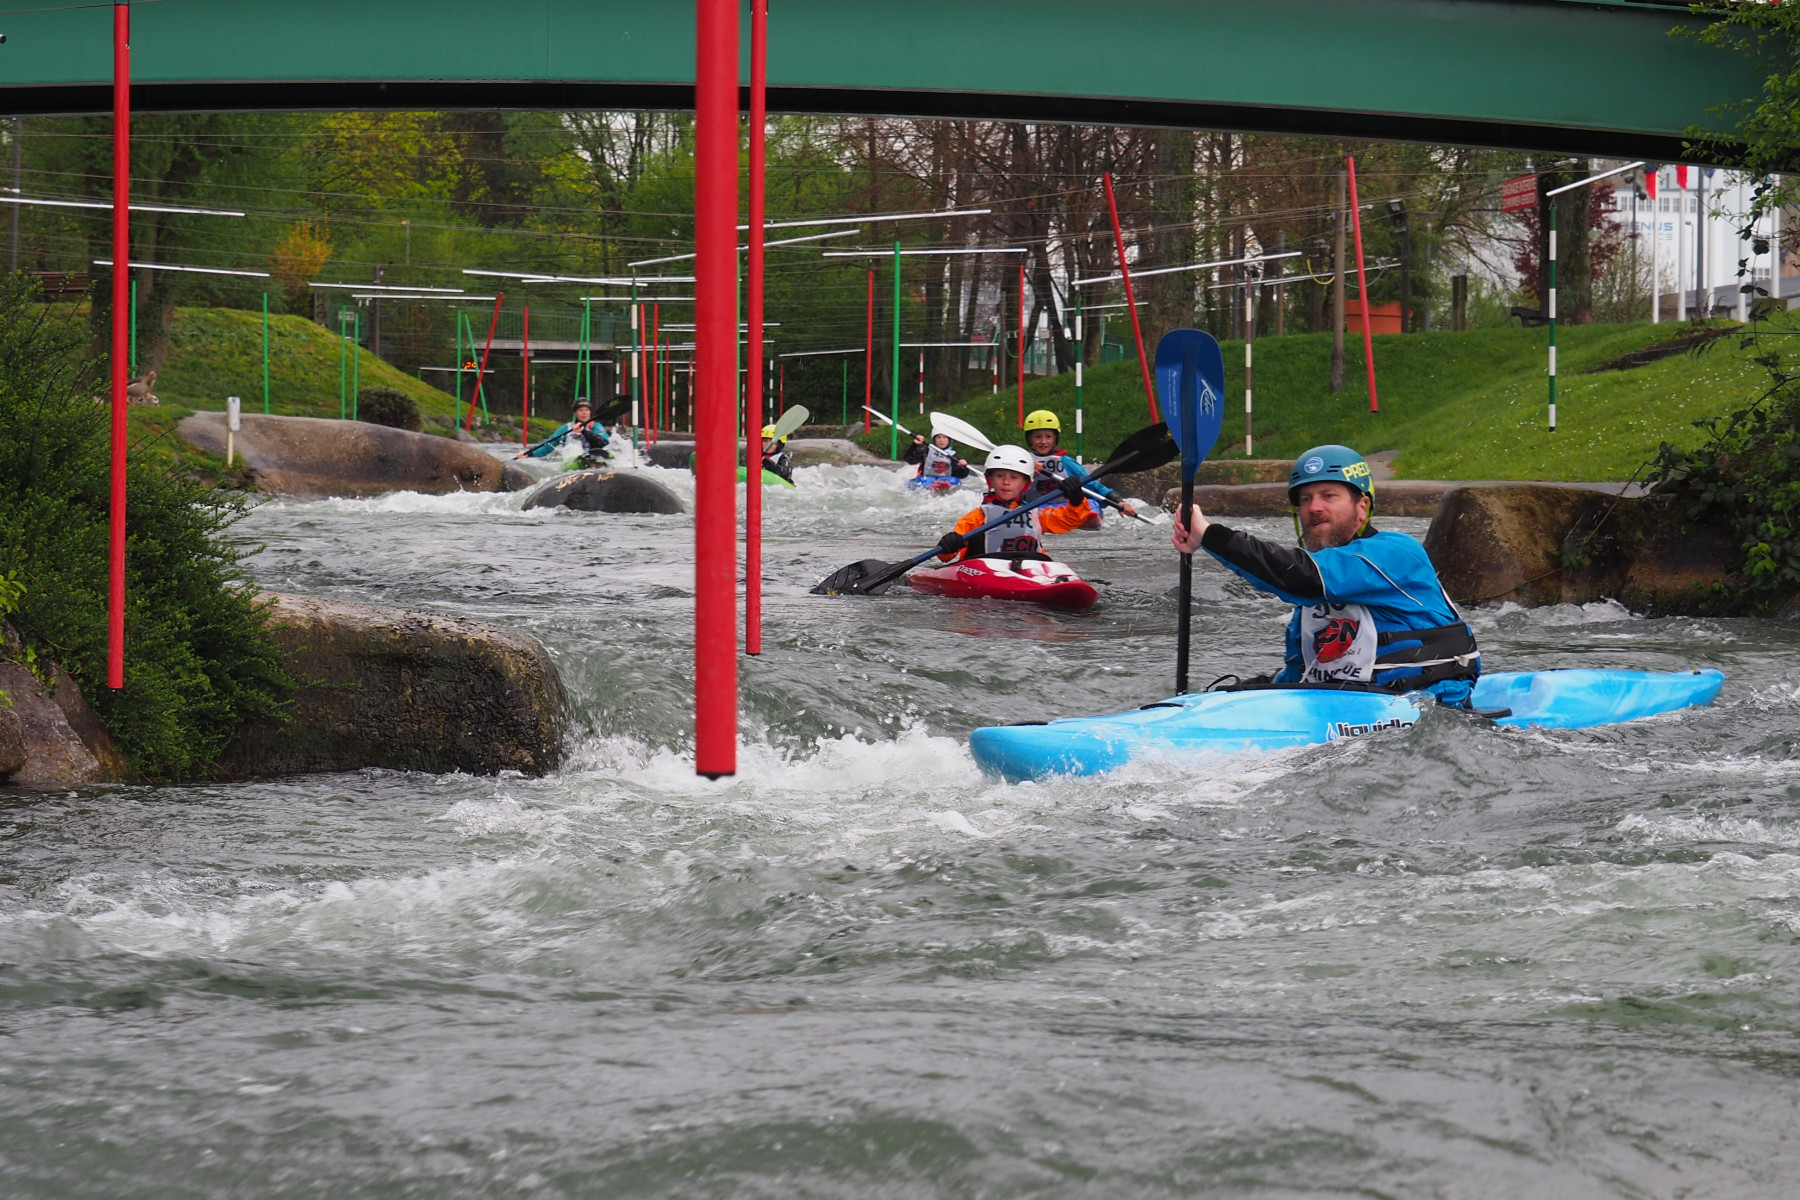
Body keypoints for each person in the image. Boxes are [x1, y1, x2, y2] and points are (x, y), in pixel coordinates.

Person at [1171, 444, 1481, 705]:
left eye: (1328, 495)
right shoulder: (1310, 601)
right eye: (1305, 499)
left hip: (1430, 706)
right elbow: (1300, 676)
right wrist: (1229, 696)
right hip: (1347, 710)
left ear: (1362, 506)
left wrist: (1211, 536)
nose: (1314, 507)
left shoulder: (1397, 553)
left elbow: (1301, 576)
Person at [936, 445, 1093, 561]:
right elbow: (945, 556)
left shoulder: (1036, 515)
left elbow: (1072, 519)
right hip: (984, 572)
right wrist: (949, 543)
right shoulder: (978, 517)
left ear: (1025, 483)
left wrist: (1076, 498)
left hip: (1028, 570)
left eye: (1014, 477)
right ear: (990, 480)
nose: (1006, 482)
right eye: (1000, 476)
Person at [1020, 409, 1137, 522]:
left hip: (1066, 508)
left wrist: (1119, 501)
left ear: (1055, 438)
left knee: (1091, 504)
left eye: (1048, 436)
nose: (1043, 442)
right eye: (1038, 437)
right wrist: (1028, 465)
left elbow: (1092, 485)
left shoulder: (1066, 462)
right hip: (1034, 507)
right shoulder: (1022, 461)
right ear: (1029, 439)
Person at [518, 400, 610, 465]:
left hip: (594, 457)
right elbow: (549, 444)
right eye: (580, 410)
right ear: (575, 413)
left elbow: (602, 443)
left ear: (590, 412)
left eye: (587, 410)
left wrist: (584, 432)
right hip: (574, 460)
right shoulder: (567, 428)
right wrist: (530, 453)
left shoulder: (596, 426)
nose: (584, 413)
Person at [904, 431, 970, 482]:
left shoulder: (952, 454)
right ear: (934, 439)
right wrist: (914, 445)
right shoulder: (927, 450)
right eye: (938, 437)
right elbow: (910, 460)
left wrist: (963, 467)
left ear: (949, 440)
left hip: (945, 481)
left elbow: (961, 475)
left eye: (944, 437)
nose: (941, 440)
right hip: (925, 480)